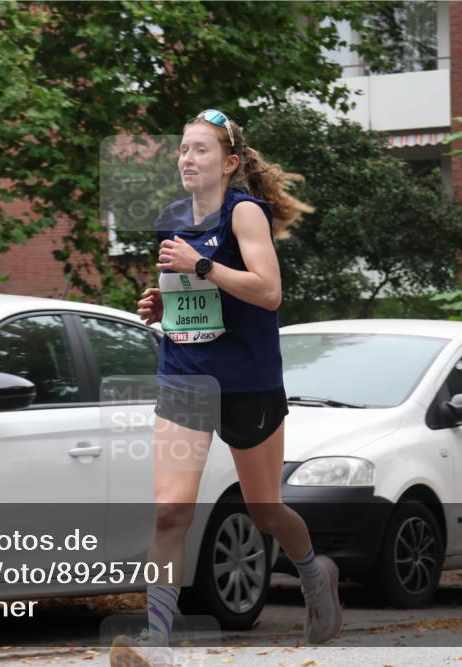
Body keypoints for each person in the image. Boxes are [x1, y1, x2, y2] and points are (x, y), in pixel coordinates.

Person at [109, 110, 342, 667]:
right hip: (185, 375)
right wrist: (165, 303)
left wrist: (202, 264)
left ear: (230, 163)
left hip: (248, 381)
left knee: (264, 510)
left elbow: (267, 293)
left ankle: (314, 571)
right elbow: (194, 292)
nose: (187, 158)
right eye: (183, 149)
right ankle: (157, 642)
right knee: (170, 511)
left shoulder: (246, 214)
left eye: (201, 150)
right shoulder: (171, 219)